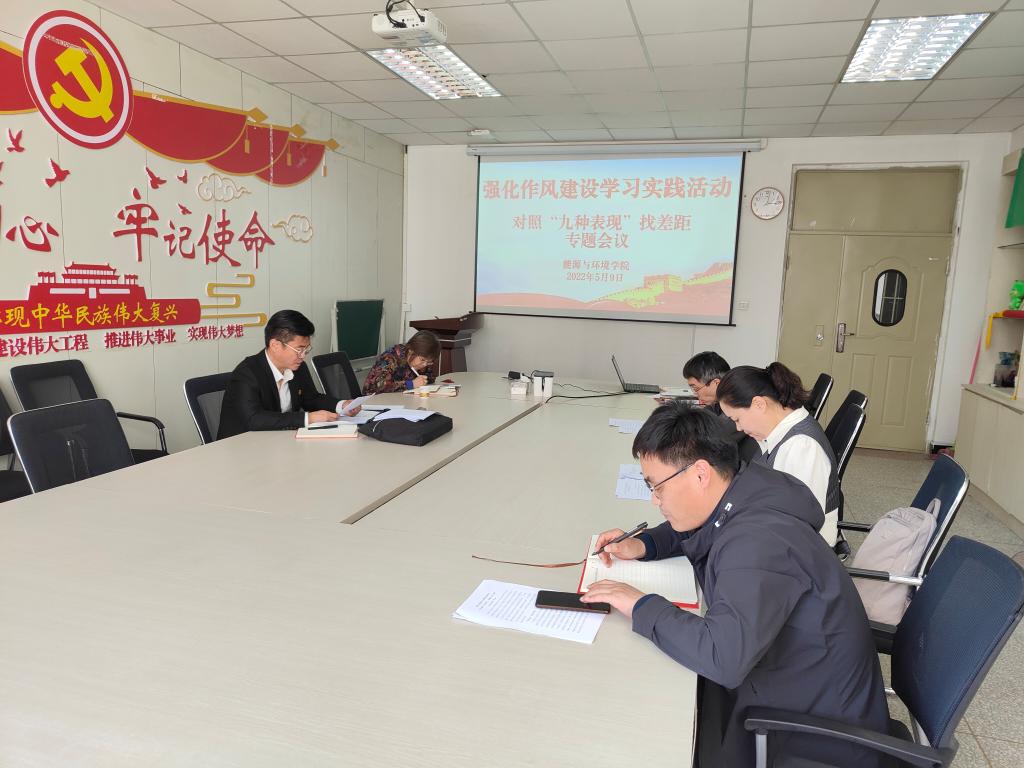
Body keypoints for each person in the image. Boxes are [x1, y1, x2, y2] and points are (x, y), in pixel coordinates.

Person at [581, 404, 888, 767]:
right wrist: (644, 544)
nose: (654, 499)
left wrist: (640, 605)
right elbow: (703, 523)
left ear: (700, 474)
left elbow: (723, 657)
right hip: (793, 685)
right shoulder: (748, 488)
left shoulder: (756, 543)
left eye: (657, 486)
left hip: (816, 734)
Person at [715, 362, 840, 546]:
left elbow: (798, 526)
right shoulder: (777, 431)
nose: (738, 427)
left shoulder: (801, 447)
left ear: (759, 404)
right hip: (773, 532)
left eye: (737, 419)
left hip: (800, 550)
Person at [218, 310, 360, 439]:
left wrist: (341, 405)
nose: (303, 356)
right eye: (299, 350)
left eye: (306, 349)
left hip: (278, 441)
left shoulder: (298, 367)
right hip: (242, 446)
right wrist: (307, 419)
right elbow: (254, 419)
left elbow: (311, 398)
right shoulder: (246, 373)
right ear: (275, 345)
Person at [682, 351, 759, 465]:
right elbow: (702, 417)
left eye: (696, 389)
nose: (696, 394)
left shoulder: (740, 402)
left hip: (747, 469)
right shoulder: (721, 400)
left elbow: (713, 439)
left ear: (716, 383)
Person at [362, 330, 441, 394]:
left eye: (429, 362)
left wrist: (425, 379)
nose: (424, 364)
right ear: (411, 350)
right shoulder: (390, 357)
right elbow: (378, 385)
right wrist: (411, 384)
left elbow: (430, 377)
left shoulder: (422, 360)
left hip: (401, 400)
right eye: (423, 360)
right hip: (374, 401)